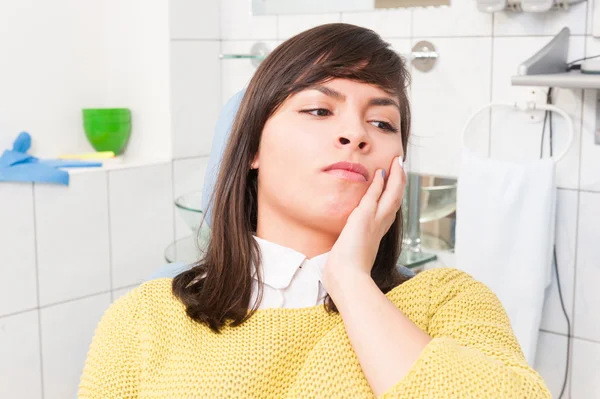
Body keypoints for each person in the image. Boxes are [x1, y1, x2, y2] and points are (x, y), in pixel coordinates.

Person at [77, 23, 550, 398]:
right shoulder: (141, 320)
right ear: (252, 149)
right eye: (320, 111)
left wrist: (349, 280)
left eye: (382, 122)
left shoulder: (449, 302)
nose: (355, 134)